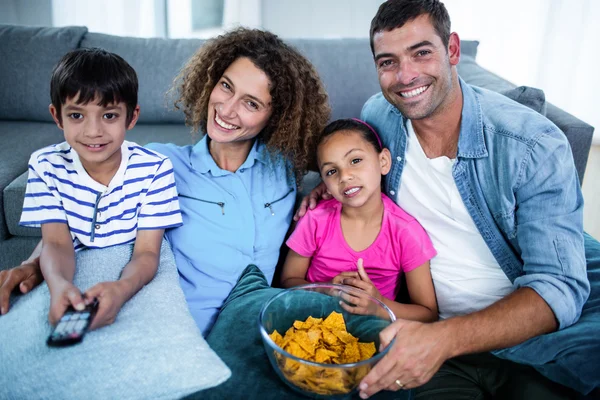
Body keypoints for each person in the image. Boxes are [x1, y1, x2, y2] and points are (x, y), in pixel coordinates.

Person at [296, 0, 598, 398]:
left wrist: (442, 339)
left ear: (452, 50)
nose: (405, 76)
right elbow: (354, 161)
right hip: (432, 331)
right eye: (388, 62)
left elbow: (558, 288)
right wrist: (328, 184)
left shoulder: (532, 146)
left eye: (421, 53)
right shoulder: (381, 116)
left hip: (532, 336)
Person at [0, 28, 330, 338]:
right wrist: (32, 265)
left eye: (251, 103)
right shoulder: (159, 164)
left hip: (265, 326)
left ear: (277, 116)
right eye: (226, 86)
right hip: (187, 332)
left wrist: (328, 181)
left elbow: (350, 154)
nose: (227, 110)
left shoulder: (285, 165)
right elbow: (80, 206)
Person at [19, 48, 182, 330]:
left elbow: (147, 253)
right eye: (76, 116)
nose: (93, 131)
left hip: (137, 269)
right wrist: (58, 286)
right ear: (57, 117)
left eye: (108, 116)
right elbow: (56, 243)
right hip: (70, 261)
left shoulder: (155, 169)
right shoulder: (46, 165)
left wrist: (121, 288)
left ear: (131, 117)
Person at [282, 118, 438, 322]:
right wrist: (326, 290)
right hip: (312, 322)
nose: (345, 176)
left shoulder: (406, 232)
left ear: (383, 162)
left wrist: (378, 306)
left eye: (355, 161)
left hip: (374, 332)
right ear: (325, 184)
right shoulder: (315, 220)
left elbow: (427, 314)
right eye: (332, 171)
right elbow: (286, 281)